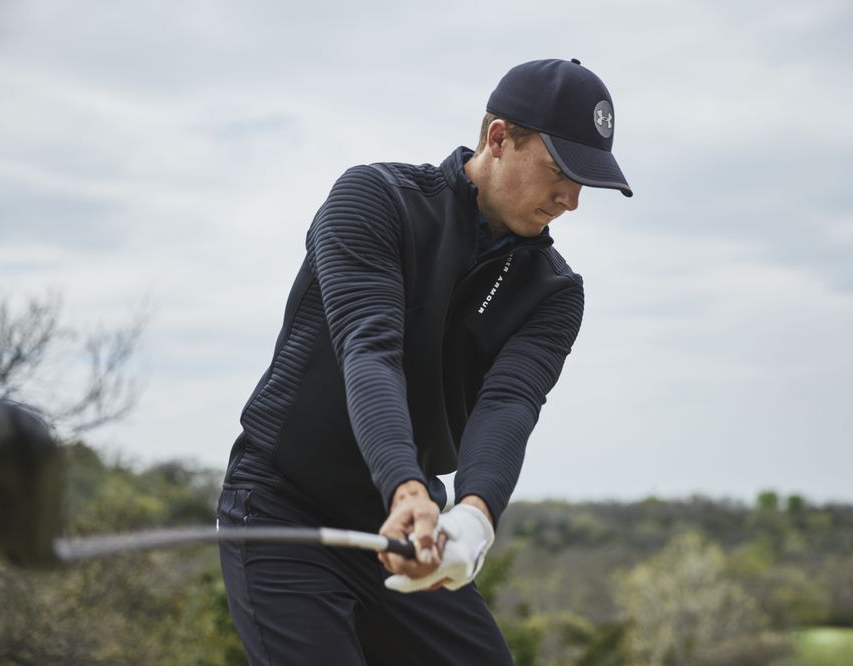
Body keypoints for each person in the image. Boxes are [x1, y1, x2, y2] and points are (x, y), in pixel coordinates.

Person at [217, 58, 632, 665]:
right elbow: (370, 348)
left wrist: (474, 517)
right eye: (559, 172)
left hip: (412, 526)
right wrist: (406, 486)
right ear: (498, 139)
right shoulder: (374, 199)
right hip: (285, 507)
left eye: (583, 183)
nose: (571, 200)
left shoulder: (556, 292)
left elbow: (509, 404)